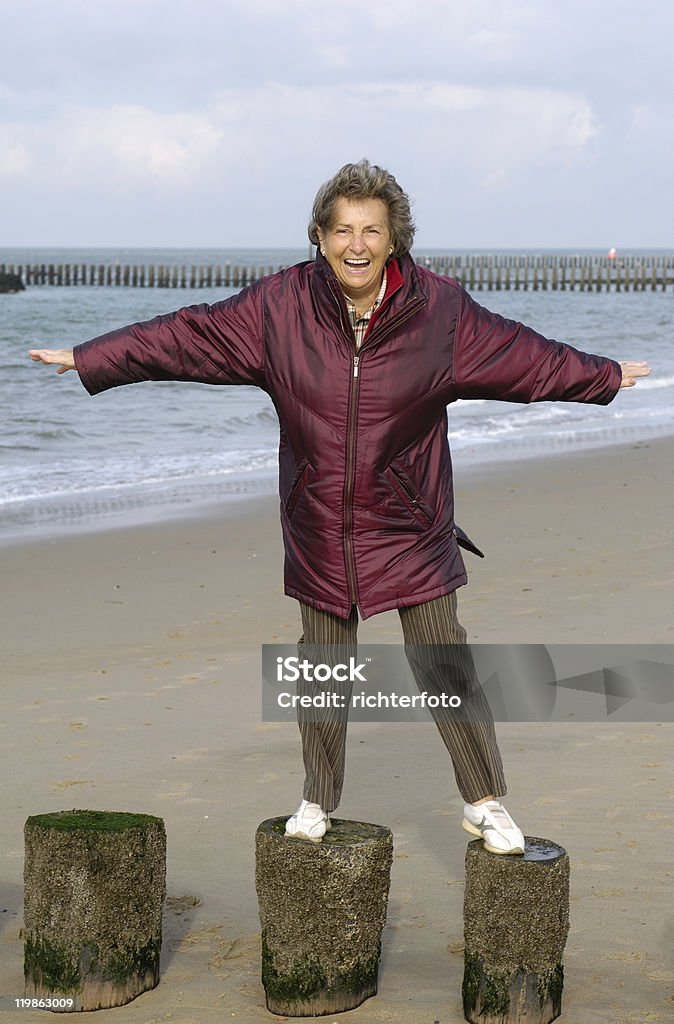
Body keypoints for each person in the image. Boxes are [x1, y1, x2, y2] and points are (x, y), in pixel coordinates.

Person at [29, 159, 650, 855]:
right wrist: (91, 357)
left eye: (372, 231)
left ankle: (484, 801)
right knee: (323, 663)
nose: (357, 244)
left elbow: (522, 356)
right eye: (343, 230)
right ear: (320, 238)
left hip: (410, 519)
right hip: (322, 518)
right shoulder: (278, 308)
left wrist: (603, 376)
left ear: (394, 240)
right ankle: (317, 798)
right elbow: (187, 337)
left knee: (443, 657)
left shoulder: (438, 312)